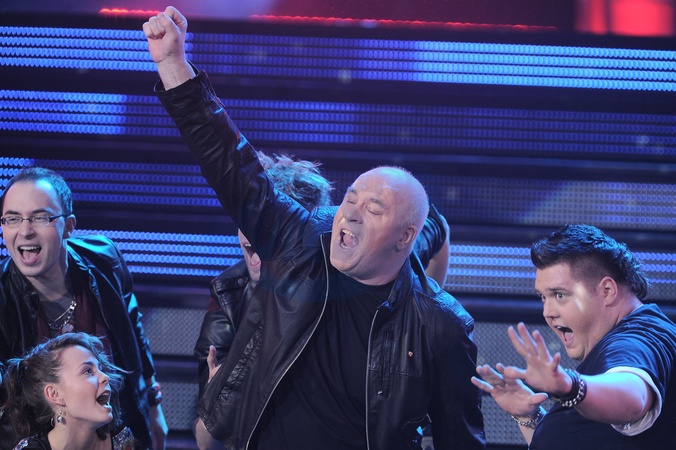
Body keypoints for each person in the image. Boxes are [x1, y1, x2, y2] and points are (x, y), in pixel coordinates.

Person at [144, 7, 485, 450]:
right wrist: (173, 63)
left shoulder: (440, 325)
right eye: (351, 198)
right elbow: (230, 161)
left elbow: (460, 439)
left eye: (374, 208)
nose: (352, 213)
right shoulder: (298, 241)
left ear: (405, 238)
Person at [192, 152, 451, 449]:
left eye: (275, 233)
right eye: (251, 222)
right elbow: (206, 441)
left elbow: (436, 227)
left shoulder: (383, 265)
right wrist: (225, 397)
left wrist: (419, 313)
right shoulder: (230, 293)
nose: (256, 239)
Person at [0, 167, 168, 450]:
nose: (25, 231)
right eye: (13, 219)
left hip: (119, 434)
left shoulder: (105, 259)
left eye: (40, 217)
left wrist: (154, 405)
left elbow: (133, 335)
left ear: (69, 225)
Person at [471, 224, 676, 449]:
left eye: (560, 295)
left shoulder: (636, 341)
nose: (547, 312)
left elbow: (634, 398)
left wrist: (571, 386)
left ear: (607, 291)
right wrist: (529, 416)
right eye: (543, 297)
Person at [1, 332, 137, 450]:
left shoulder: (121, 438)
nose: (105, 377)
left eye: (100, 369)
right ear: (54, 394)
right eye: (88, 371)